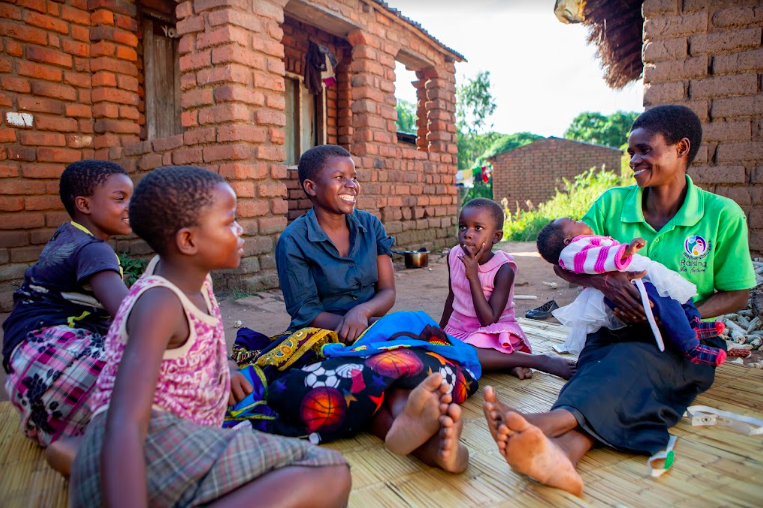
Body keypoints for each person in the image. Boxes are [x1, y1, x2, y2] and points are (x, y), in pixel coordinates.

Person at [482, 105, 756, 496]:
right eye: (631, 152)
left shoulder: (720, 215)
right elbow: (566, 261)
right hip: (616, 329)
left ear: (681, 148)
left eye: (645, 150)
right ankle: (563, 455)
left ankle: (548, 423)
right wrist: (603, 284)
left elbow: (738, 293)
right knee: (597, 365)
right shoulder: (612, 204)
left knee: (632, 363)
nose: (634, 160)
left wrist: (672, 317)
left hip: (683, 339)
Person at [57, 166, 351, 507]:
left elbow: (188, 351)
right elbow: (125, 421)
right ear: (188, 240)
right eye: (229, 222)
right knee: (329, 472)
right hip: (149, 448)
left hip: (172, 442)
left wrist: (222, 370)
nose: (240, 230)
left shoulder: (192, 279)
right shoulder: (160, 302)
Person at [241, 144, 474, 473]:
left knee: (408, 343)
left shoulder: (370, 226)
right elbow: (306, 311)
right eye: (339, 177)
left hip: (372, 328)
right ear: (310, 187)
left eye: (354, 177)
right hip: (320, 335)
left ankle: (416, 431)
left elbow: (387, 291)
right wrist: (350, 327)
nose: (352, 185)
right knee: (359, 374)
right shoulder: (293, 240)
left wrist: (362, 313)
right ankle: (427, 446)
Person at [2, 160, 132, 446]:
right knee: (151, 368)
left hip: (24, 361)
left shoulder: (68, 234)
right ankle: (85, 443)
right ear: (84, 204)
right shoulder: (94, 250)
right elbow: (130, 316)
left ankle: (54, 420)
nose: (129, 207)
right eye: (119, 199)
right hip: (49, 353)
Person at [536, 217, 726, 365]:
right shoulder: (573, 251)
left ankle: (692, 324)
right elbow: (597, 258)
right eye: (574, 222)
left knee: (678, 292)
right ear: (568, 240)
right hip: (628, 288)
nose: (580, 220)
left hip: (641, 279)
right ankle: (690, 347)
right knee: (666, 302)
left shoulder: (584, 242)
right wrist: (625, 251)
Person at [440, 198, 576, 380]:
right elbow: (452, 297)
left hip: (493, 332)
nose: (467, 234)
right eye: (463, 227)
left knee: (467, 353)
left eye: (477, 228)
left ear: (496, 236)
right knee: (444, 352)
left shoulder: (503, 269)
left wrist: (473, 277)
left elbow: (488, 320)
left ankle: (539, 361)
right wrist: (439, 332)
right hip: (459, 329)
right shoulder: (454, 255)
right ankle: (506, 364)